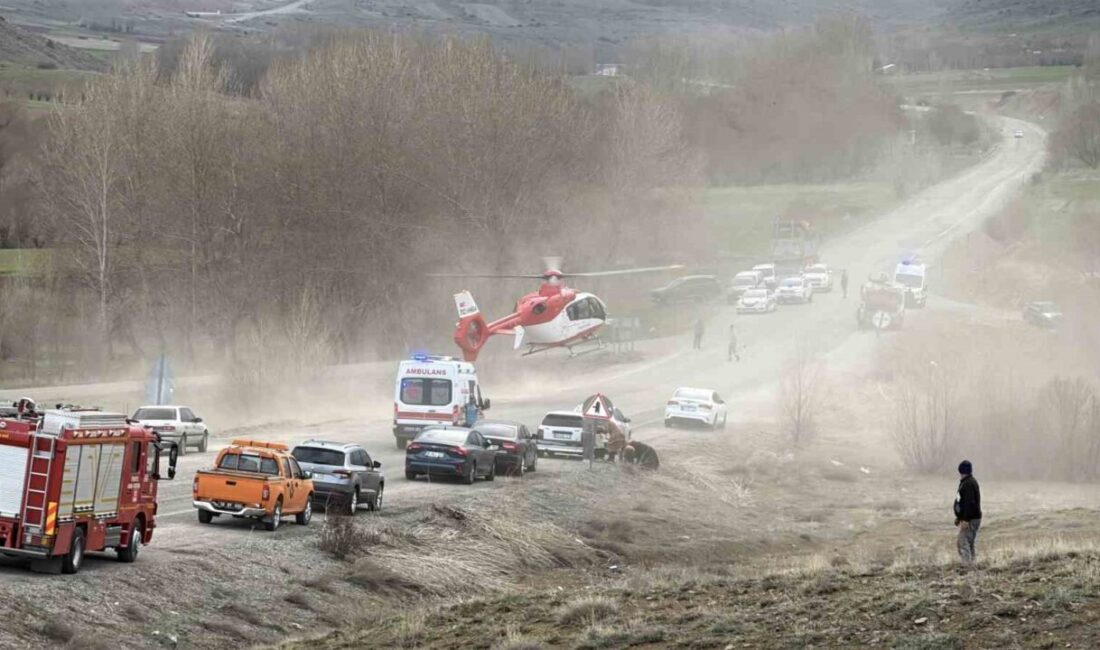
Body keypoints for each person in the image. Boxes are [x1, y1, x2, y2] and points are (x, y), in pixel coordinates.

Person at [954, 459, 982, 566]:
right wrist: (959, 517)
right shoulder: (966, 482)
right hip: (971, 517)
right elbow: (962, 501)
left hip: (971, 519)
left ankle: (967, 566)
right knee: (969, 543)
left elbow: (969, 503)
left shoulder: (968, 484)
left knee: (963, 542)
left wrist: (965, 519)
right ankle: (972, 564)